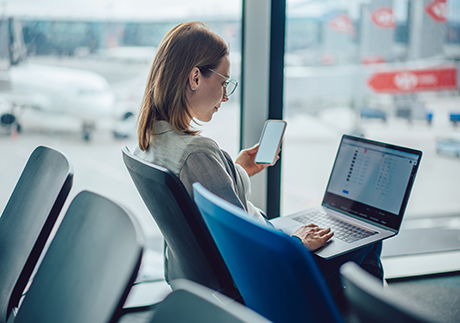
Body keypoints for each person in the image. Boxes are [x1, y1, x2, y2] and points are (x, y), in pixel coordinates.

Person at [134, 21, 383, 296]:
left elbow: (207, 209)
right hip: (261, 281)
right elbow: (243, 251)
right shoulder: (197, 153)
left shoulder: (152, 144)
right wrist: (296, 243)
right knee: (367, 238)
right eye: (223, 82)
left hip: (197, 278)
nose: (226, 96)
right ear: (195, 78)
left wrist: (237, 170)